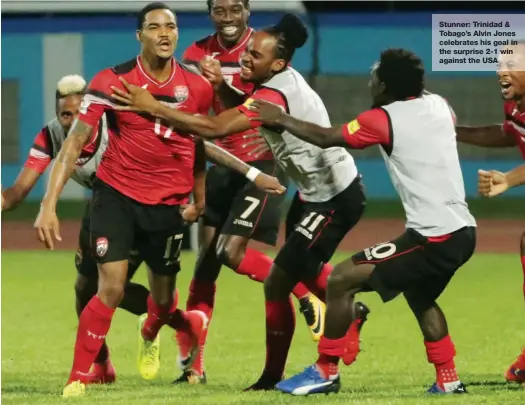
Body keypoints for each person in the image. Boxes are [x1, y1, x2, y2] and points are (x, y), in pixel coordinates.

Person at [33, 3, 285, 398]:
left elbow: (199, 142)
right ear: (140, 35)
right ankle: (78, 378)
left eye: (171, 26)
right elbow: (76, 141)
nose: (164, 33)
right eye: (154, 27)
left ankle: (184, 325)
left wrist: (199, 197)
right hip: (114, 197)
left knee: (164, 305)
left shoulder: (197, 87)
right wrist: (48, 204)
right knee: (109, 288)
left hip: (167, 207)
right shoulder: (112, 81)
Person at [111, 13, 370, 391]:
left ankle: (315, 364)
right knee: (293, 273)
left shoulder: (273, 93)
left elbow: (214, 127)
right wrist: (223, 89)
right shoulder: (275, 84)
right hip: (314, 194)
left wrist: (152, 106)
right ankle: (336, 324)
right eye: (247, 52)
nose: (245, 59)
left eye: (255, 56)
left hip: (334, 197)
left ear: (278, 63)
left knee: (279, 279)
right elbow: (249, 104)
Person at [247, 48, 477, 395]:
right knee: (419, 294)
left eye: (374, 76)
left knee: (341, 279)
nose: (370, 80)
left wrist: (280, 118)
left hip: (433, 238)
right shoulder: (439, 105)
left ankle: (325, 371)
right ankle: (448, 379)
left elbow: (326, 137)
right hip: (464, 231)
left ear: (384, 85)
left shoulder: (382, 119)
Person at [175, 0, 325, 384]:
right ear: (210, 13)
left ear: (247, 12)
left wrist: (219, 88)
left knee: (230, 252)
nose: (227, 18)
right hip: (220, 165)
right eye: (219, 10)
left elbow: (258, 109)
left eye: (235, 10)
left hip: (262, 166)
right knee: (206, 263)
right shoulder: (196, 53)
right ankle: (195, 367)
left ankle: (305, 293)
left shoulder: (263, 50)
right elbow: (201, 107)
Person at [2, 74, 150, 385]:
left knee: (112, 288)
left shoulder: (114, 122)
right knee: (85, 288)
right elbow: (16, 193)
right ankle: (102, 365)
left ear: (89, 108)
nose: (71, 120)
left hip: (139, 203)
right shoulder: (52, 135)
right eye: (64, 114)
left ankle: (169, 320)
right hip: (101, 205)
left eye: (77, 112)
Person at [455, 40, 525, 383]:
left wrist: (509, 179)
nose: (501, 70)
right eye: (500, 64)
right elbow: (508, 133)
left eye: (512, 64)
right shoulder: (515, 109)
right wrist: (452, 132)